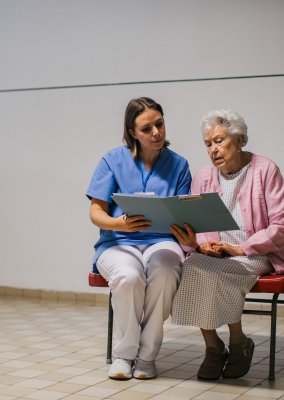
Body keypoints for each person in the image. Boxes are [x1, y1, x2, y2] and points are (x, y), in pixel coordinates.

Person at [170, 109, 284, 380]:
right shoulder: (204, 175)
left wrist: (242, 248)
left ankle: (238, 341)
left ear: (240, 139)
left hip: (257, 252)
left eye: (219, 141)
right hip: (218, 253)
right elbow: (195, 224)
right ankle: (212, 346)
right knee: (190, 267)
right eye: (208, 144)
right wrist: (200, 245)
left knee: (223, 270)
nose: (213, 149)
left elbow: (283, 223)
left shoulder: (265, 169)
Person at [87, 97, 192, 380]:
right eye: (147, 129)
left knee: (166, 271)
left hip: (162, 241)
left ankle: (147, 357)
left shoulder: (180, 165)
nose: (156, 133)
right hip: (118, 241)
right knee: (128, 278)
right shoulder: (112, 160)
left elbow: (183, 211)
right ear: (132, 132)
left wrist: (189, 229)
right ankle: (124, 355)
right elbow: (96, 212)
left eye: (160, 124)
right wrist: (118, 222)